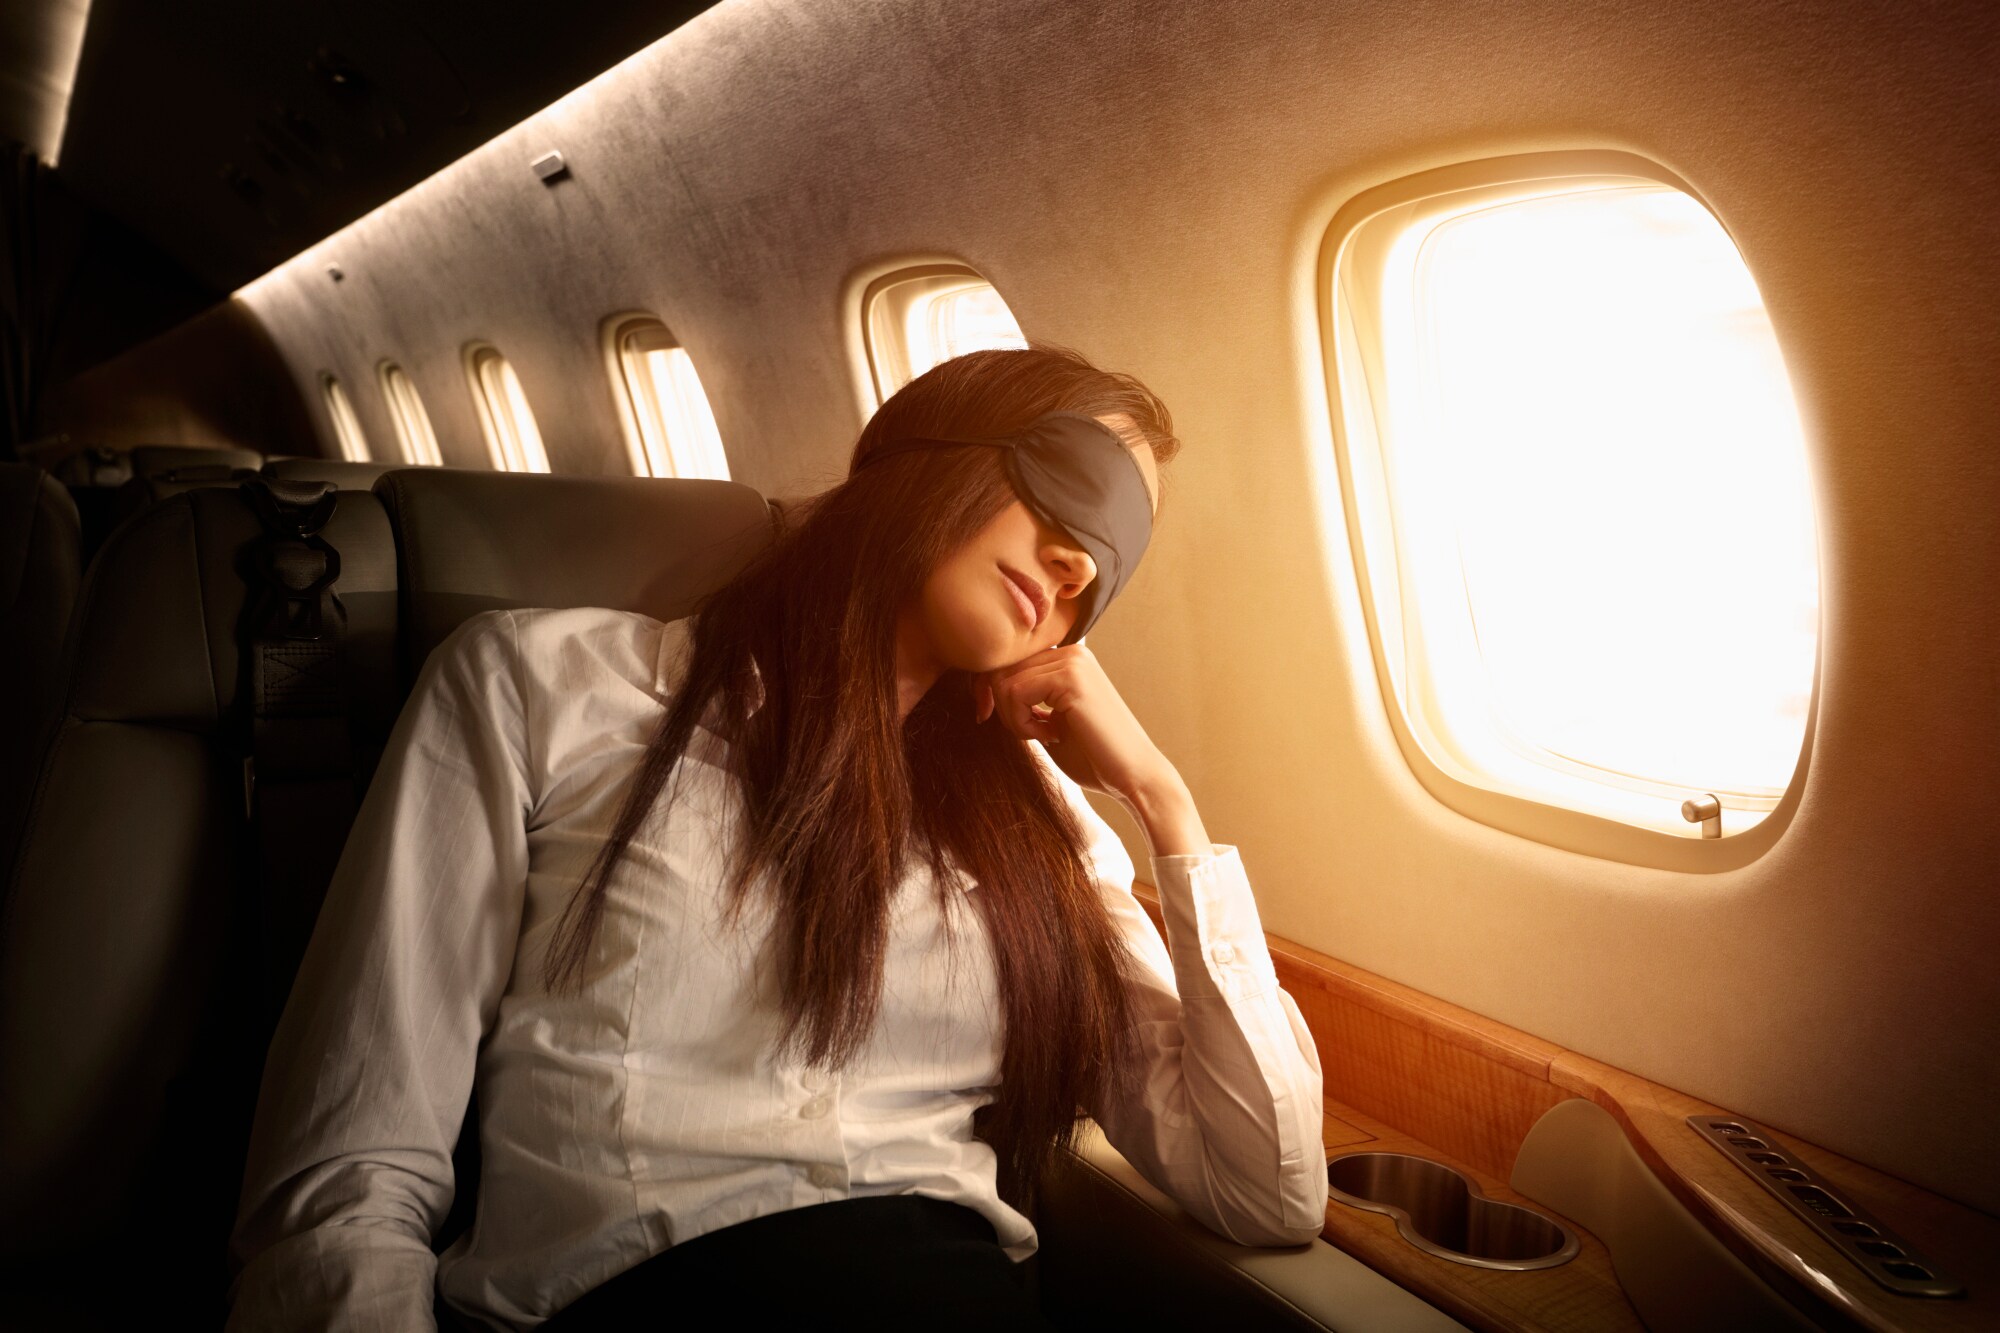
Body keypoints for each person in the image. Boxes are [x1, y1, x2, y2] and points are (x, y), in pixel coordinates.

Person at [226, 345, 1328, 1331]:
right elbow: (351, 1169)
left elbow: (1262, 1190)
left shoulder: (1042, 829)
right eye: (1070, 487)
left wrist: (1163, 801)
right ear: (933, 451)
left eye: (1109, 561)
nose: (1081, 564)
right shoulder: (536, 687)